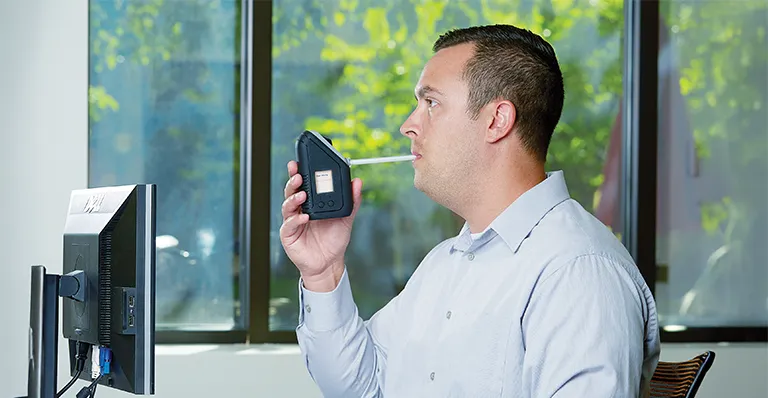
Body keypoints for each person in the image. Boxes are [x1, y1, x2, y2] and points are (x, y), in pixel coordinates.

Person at [279, 24, 660, 397]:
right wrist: (323, 274)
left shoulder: (577, 272)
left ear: (497, 120)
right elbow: (361, 386)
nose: (407, 126)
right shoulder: (444, 265)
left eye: (431, 103)